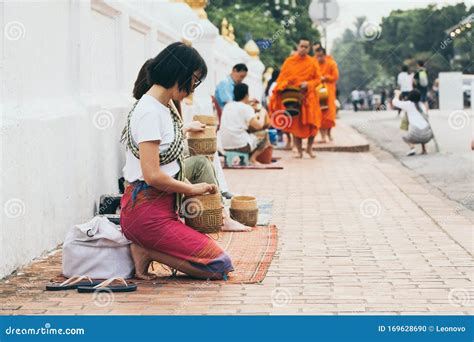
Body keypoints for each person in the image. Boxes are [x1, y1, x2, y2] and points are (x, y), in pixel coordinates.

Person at [120, 42, 235, 281]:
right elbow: (152, 175)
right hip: (146, 214)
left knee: (216, 261)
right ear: (180, 74)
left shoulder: (162, 106)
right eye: (194, 80)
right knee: (219, 265)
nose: (193, 88)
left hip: (160, 210)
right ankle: (147, 249)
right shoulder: (150, 111)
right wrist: (192, 188)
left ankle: (149, 247)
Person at [269, 37, 322, 158]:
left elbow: (318, 79)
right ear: (298, 47)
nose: (303, 49)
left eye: (306, 47)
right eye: (301, 46)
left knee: (313, 124)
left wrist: (308, 84)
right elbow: (281, 79)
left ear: (309, 49)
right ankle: (299, 151)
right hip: (293, 99)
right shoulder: (289, 61)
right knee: (295, 125)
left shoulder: (313, 62)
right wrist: (287, 83)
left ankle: (309, 148)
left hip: (309, 97)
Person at [219, 83, 270, 165]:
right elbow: (259, 126)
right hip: (242, 146)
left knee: (247, 134)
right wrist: (263, 113)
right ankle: (252, 159)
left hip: (224, 145)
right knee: (265, 134)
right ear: (247, 95)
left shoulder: (227, 106)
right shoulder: (246, 108)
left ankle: (244, 158)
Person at [392, 89, 433, 156]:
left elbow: (394, 102)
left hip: (414, 136)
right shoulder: (422, 105)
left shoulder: (409, 104)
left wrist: (397, 94)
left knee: (403, 133)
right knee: (422, 126)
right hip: (427, 136)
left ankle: (412, 147)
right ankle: (424, 150)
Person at [314, 47, 339, 143]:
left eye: (321, 56)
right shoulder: (314, 64)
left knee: (329, 115)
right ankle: (323, 136)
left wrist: (326, 78)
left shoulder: (331, 63)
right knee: (320, 114)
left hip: (329, 92)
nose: (319, 58)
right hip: (317, 91)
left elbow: (335, 76)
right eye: (317, 56)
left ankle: (328, 133)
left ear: (325, 55)